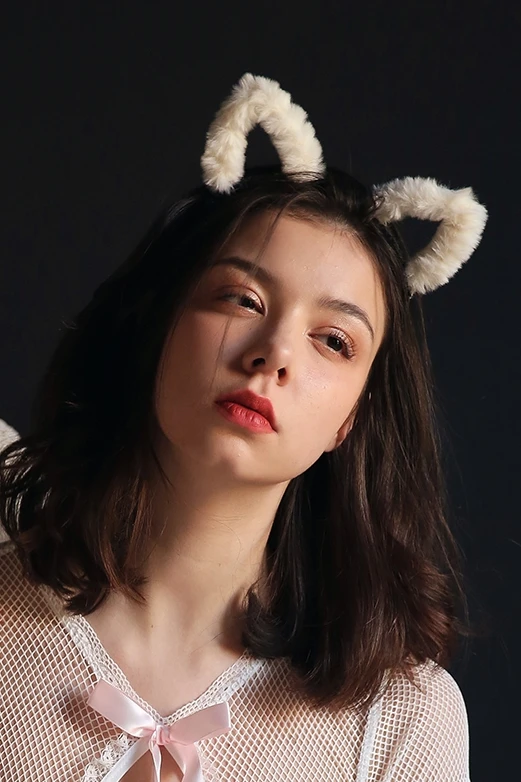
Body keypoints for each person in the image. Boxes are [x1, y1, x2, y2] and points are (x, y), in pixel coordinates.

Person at [0, 73, 487, 781]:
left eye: (333, 341)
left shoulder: (401, 722)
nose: (274, 355)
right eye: (242, 298)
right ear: (159, 322)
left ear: (350, 419)